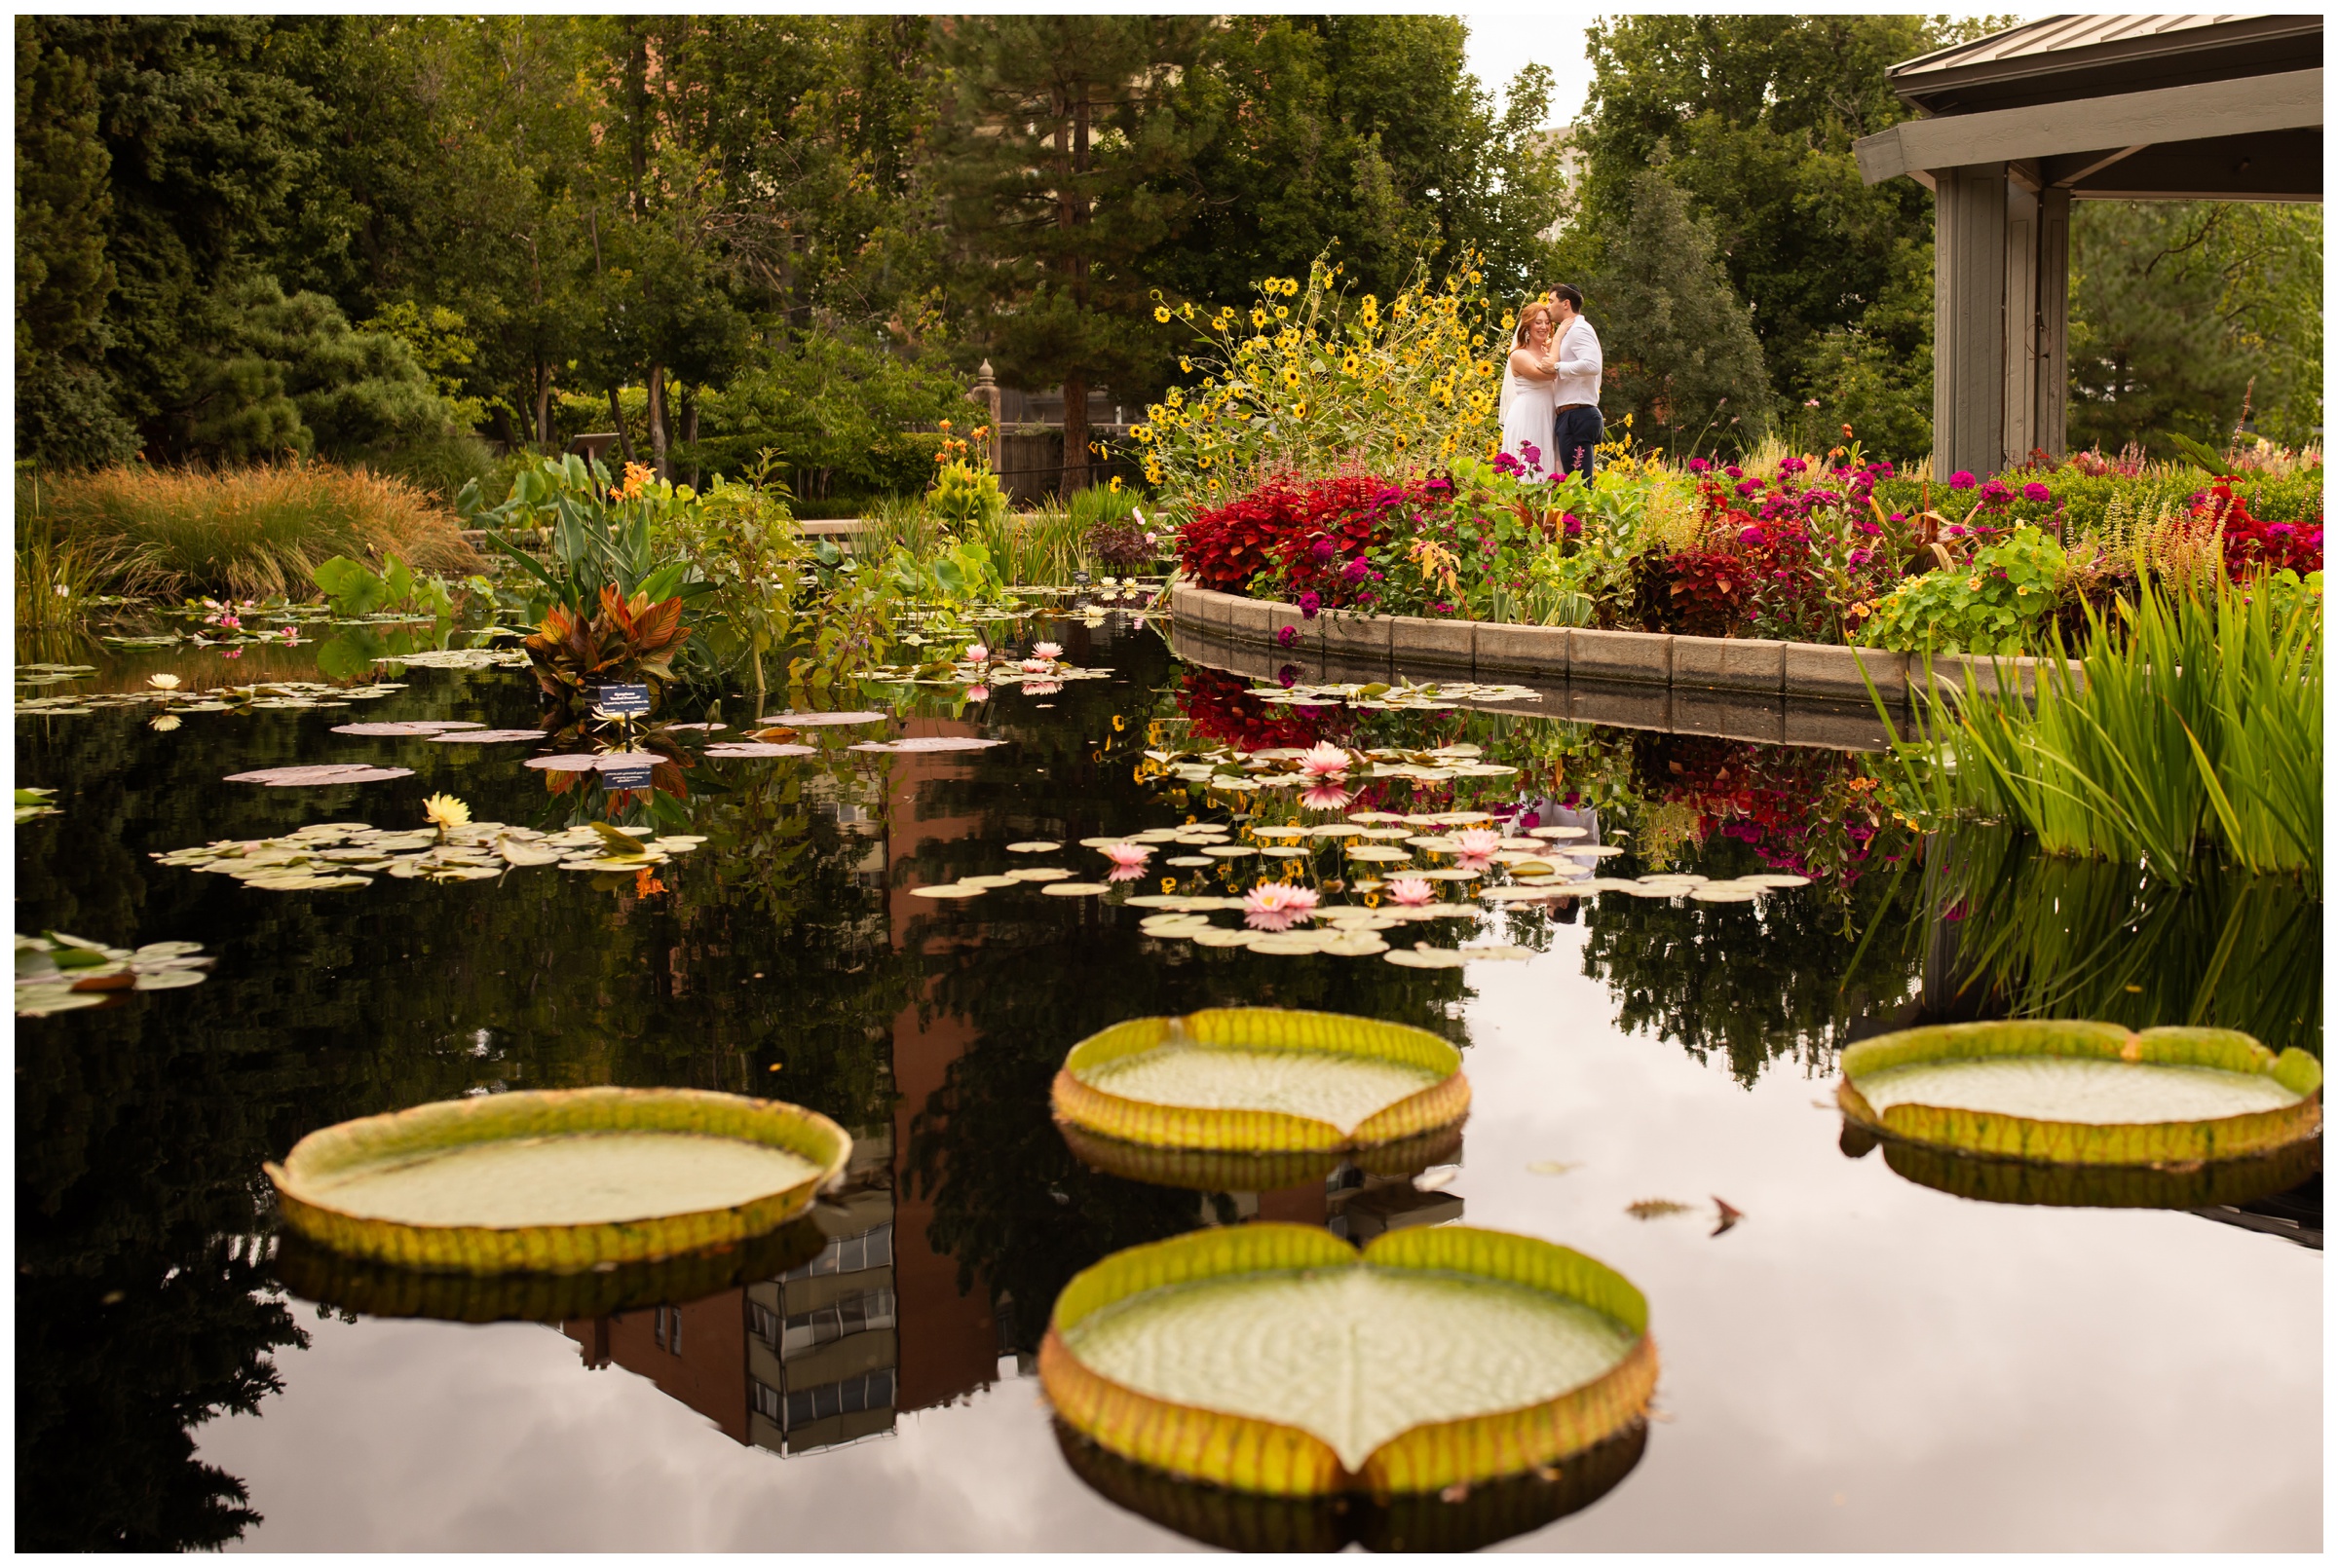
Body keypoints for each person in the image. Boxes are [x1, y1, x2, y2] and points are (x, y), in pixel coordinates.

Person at [1546, 284, 1603, 482]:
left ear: (1566, 304)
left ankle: (1583, 515)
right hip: (1573, 415)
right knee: (1574, 483)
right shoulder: (1571, 332)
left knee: (1579, 485)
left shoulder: (1579, 330)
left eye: (1551, 301)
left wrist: (1558, 367)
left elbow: (1592, 364)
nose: (1548, 306)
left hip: (1576, 416)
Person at [1497, 298, 1559, 482]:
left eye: (1547, 322)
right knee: (1527, 464)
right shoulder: (1518, 355)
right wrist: (1558, 353)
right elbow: (1546, 375)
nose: (1543, 327)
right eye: (1538, 322)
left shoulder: (1550, 352)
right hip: (1528, 415)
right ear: (1527, 326)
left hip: (1549, 414)